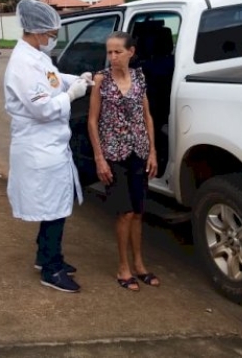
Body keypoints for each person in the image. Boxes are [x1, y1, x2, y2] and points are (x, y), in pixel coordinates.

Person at [3, 0, 92, 293]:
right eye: (51, 35)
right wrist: (73, 95)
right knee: (53, 209)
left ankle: (46, 256)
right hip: (38, 147)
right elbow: (42, 108)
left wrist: (76, 80)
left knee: (55, 206)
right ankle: (51, 270)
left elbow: (53, 78)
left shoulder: (36, 57)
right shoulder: (22, 64)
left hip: (51, 146)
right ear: (37, 32)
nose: (52, 40)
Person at [88, 31, 160, 291]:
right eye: (109, 52)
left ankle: (139, 264)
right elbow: (92, 121)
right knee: (125, 212)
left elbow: (147, 116)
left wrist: (152, 151)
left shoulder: (139, 77)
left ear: (131, 52)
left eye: (118, 51)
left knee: (139, 213)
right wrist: (99, 158)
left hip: (138, 152)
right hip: (113, 154)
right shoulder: (101, 80)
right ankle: (123, 267)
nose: (113, 57)